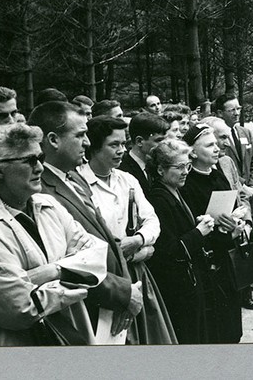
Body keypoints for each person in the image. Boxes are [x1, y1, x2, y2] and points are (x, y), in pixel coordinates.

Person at [27, 101, 142, 343]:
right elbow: (68, 264)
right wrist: (122, 294)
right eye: (80, 135)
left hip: (111, 307)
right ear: (53, 140)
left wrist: (126, 291)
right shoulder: (40, 192)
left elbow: (105, 241)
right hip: (85, 315)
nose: (88, 143)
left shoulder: (75, 178)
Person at [0, 122, 100, 346]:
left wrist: (46, 273)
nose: (40, 168)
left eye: (40, 158)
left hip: (73, 332)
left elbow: (96, 258)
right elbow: (21, 307)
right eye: (29, 161)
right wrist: (71, 269)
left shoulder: (48, 204)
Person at [78, 116, 177, 344]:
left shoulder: (127, 179)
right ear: (94, 146)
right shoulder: (80, 184)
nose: (121, 150)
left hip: (136, 272)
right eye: (114, 145)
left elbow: (152, 220)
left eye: (124, 144)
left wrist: (139, 240)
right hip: (106, 278)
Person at [180, 124, 250, 342]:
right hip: (207, 261)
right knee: (215, 324)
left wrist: (239, 221)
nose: (216, 148)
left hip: (228, 255)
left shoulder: (218, 174)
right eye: (209, 145)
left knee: (231, 319)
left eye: (215, 144)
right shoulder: (187, 183)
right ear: (192, 151)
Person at [145, 139, 214, 343]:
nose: (186, 172)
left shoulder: (175, 191)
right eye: (180, 167)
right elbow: (169, 250)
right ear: (160, 170)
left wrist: (197, 224)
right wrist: (198, 232)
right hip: (177, 287)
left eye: (188, 166)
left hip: (190, 281)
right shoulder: (158, 198)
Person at [213, 95, 253, 222]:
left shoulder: (245, 132)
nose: (237, 113)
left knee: (250, 228)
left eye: (238, 108)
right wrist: (242, 185)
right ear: (220, 113)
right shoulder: (216, 135)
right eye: (232, 110)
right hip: (232, 193)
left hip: (249, 194)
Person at [118, 112, 170, 195]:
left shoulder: (158, 166)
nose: (165, 145)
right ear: (139, 141)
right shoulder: (123, 171)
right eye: (158, 140)